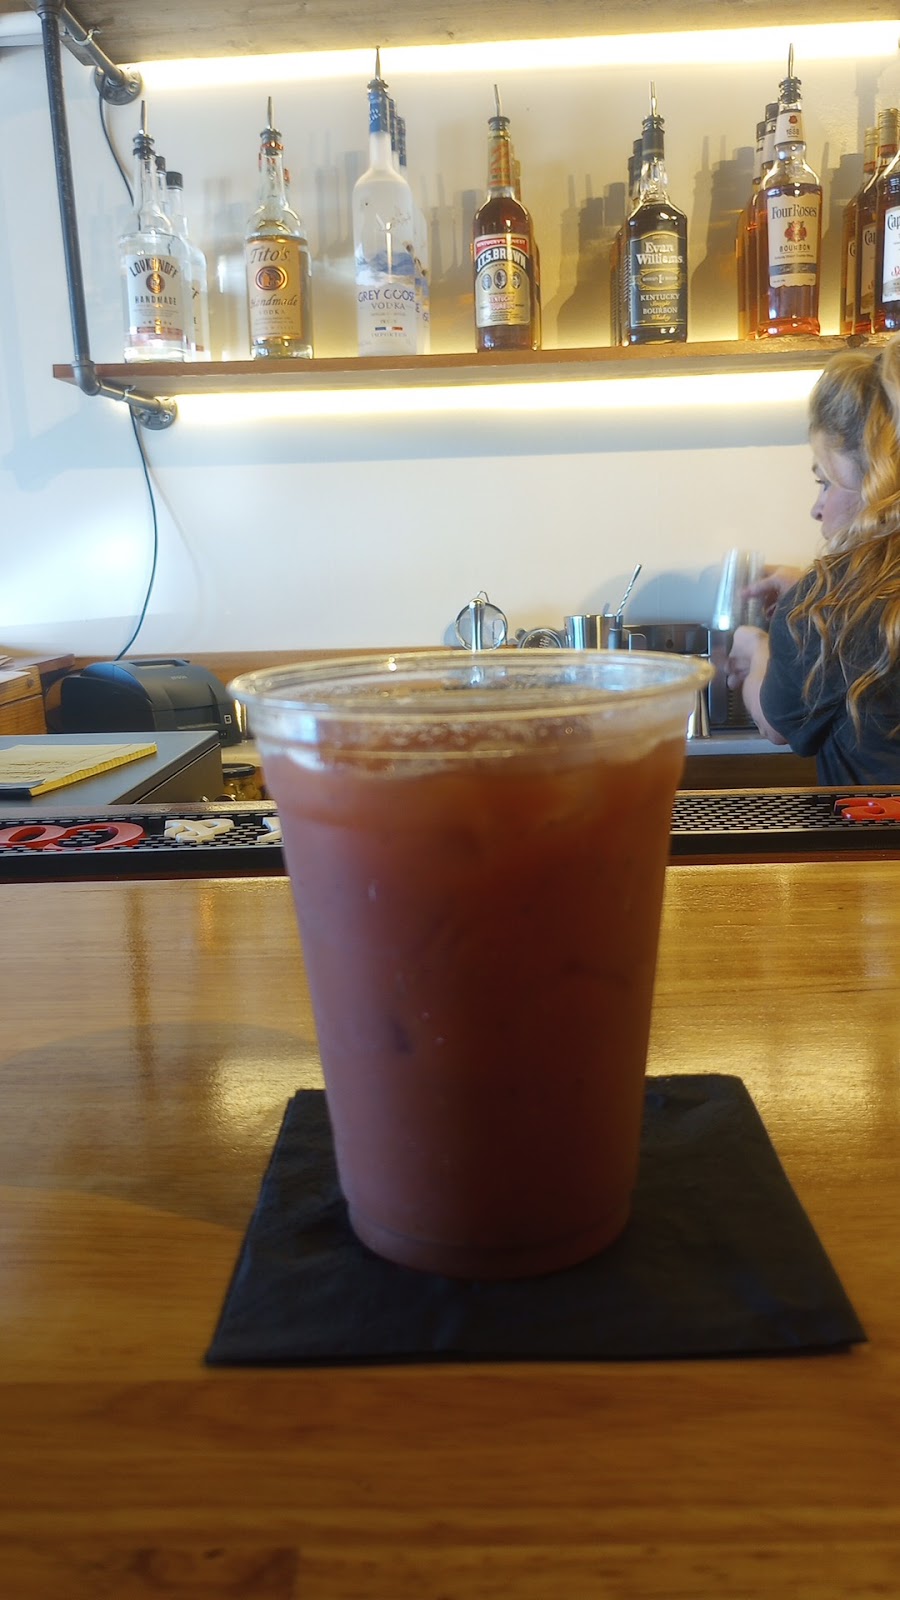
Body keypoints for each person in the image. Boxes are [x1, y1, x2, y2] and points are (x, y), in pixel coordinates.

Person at [726, 335, 900, 785]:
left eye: (825, 482)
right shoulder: (839, 598)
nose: (817, 509)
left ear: (876, 482)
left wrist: (757, 647)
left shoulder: (829, 604)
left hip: (878, 830)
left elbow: (776, 725)